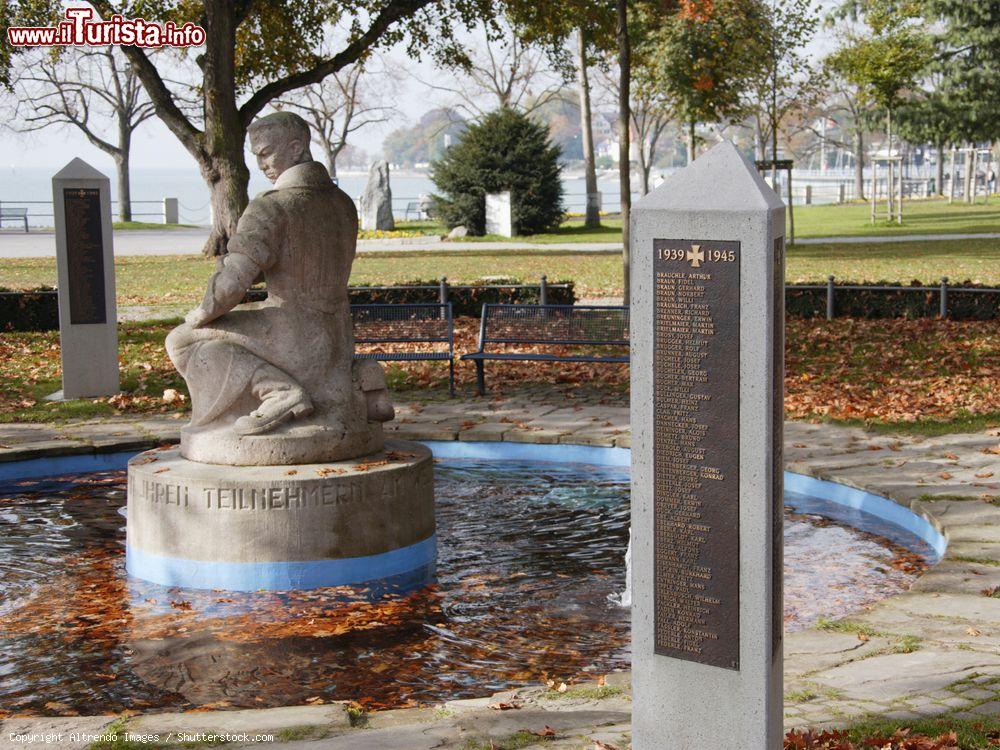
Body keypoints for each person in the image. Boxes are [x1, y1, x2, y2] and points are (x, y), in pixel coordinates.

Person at [167, 112, 387, 458]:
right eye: (256, 155)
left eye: (266, 153)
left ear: (296, 147)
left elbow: (232, 284)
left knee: (183, 340)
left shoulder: (273, 206)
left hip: (293, 333)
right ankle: (364, 379)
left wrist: (202, 313)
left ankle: (279, 392)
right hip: (338, 336)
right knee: (216, 343)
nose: (260, 164)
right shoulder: (343, 203)